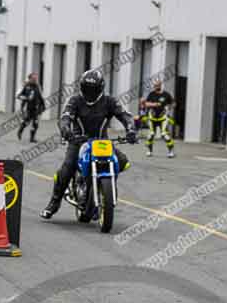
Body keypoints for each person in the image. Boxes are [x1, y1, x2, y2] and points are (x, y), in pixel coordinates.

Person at [40, 69, 138, 219]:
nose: (90, 92)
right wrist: (66, 131)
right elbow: (65, 118)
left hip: (102, 143)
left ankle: (105, 192)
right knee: (67, 169)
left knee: (123, 162)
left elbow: (125, 115)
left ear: (101, 87)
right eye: (87, 88)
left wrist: (131, 130)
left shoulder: (110, 101)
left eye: (93, 89)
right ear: (81, 87)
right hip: (78, 141)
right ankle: (54, 203)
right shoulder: (75, 100)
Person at [142, 79, 175, 158]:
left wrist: (169, 107)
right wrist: (154, 104)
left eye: (157, 85)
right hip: (152, 117)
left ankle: (170, 152)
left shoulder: (166, 94)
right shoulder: (151, 94)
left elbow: (173, 103)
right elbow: (146, 104)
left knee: (164, 134)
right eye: (155, 85)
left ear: (160, 85)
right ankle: (149, 151)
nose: (156, 87)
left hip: (163, 117)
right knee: (151, 134)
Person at [16, 72, 45, 143]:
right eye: (33, 78)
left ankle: (32, 138)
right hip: (28, 107)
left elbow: (40, 97)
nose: (35, 80)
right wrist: (26, 98)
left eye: (36, 78)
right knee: (26, 122)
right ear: (29, 79)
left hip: (36, 108)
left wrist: (43, 106)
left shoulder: (38, 86)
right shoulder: (25, 86)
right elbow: (18, 96)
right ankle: (20, 131)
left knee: (35, 123)